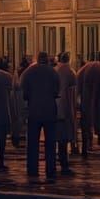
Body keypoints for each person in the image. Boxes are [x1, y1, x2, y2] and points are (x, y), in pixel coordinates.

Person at [21, 52, 60, 180]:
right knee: (50, 143)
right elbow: (56, 92)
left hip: (34, 111)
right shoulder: (53, 72)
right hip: (49, 111)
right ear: (47, 60)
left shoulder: (29, 72)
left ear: (37, 59)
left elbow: (24, 93)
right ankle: (50, 169)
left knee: (32, 143)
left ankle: (32, 169)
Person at [76, 52, 100, 156]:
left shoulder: (85, 67)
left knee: (86, 120)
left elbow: (78, 81)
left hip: (86, 98)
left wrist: (78, 96)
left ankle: (86, 144)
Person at [53, 52, 78, 175]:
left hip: (53, 108)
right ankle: (64, 165)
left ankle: (53, 162)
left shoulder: (54, 70)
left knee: (54, 137)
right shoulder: (70, 71)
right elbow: (73, 88)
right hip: (65, 108)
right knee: (63, 138)